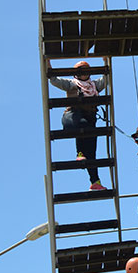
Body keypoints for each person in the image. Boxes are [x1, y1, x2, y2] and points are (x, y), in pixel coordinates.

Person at [49, 60, 109, 191]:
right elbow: (54, 79)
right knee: (83, 126)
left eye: (86, 71)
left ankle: (95, 181)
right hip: (72, 117)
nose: (84, 74)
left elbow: (106, 79)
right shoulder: (71, 84)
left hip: (89, 119)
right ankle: (79, 152)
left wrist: (106, 62)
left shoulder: (94, 85)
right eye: (81, 71)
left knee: (91, 151)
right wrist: (48, 63)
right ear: (76, 74)